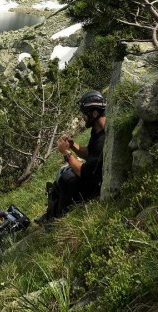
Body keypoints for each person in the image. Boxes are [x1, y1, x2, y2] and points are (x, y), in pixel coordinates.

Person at [35, 90, 107, 225]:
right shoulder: (97, 130)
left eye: (85, 114)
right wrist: (73, 145)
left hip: (95, 183)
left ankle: (58, 217)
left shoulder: (102, 140)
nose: (83, 118)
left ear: (95, 113)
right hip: (93, 174)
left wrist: (66, 153)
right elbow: (89, 153)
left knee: (68, 178)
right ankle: (52, 211)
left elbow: (83, 172)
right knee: (65, 171)